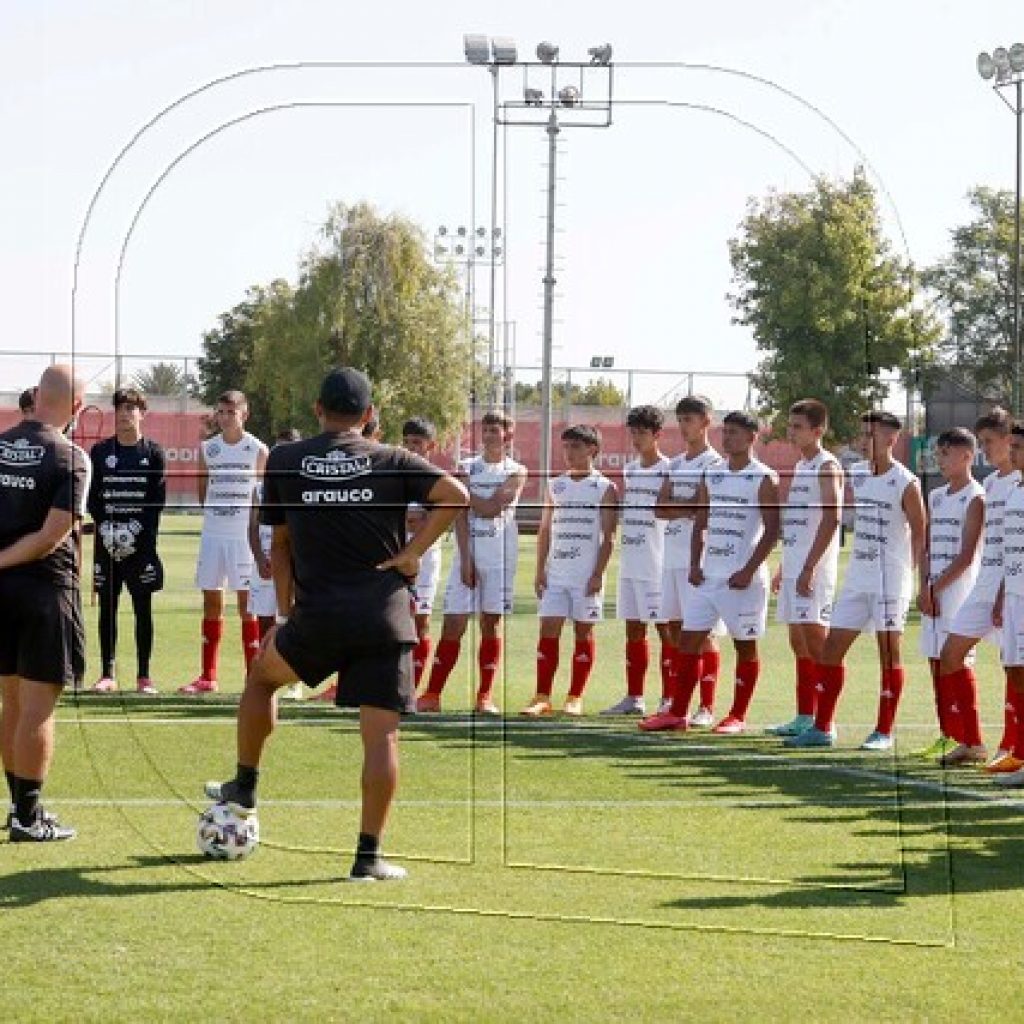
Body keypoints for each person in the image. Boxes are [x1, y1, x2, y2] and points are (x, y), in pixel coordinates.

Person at [204, 367, 468, 880]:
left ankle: (245, 785)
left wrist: (283, 615)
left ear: (318, 412)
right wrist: (413, 554)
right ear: (370, 417)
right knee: (382, 739)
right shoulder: (392, 458)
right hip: (382, 617)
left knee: (261, 680)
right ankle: (367, 858)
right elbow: (455, 495)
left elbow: (277, 546)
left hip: (318, 615)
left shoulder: (284, 459)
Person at [787, 410, 926, 751]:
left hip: (890, 581)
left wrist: (915, 578)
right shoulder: (858, 473)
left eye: (872, 435)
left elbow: (921, 532)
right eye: (863, 434)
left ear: (892, 439)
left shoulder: (905, 481)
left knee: (888, 655)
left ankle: (884, 731)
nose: (864, 441)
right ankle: (823, 727)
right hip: (857, 580)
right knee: (831, 650)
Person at [640, 410, 779, 734]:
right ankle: (677, 713)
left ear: (751, 438)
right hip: (707, 576)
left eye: (734, 433)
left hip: (741, 580)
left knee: (745, 646)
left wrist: (748, 570)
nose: (727, 438)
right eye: (725, 432)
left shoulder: (763, 477)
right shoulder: (712, 473)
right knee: (687, 642)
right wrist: (694, 563)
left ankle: (737, 716)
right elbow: (701, 522)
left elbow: (773, 531)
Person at [0, 364, 89, 841]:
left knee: (10, 702)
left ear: (36, 396)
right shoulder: (70, 456)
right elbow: (51, 538)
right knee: (36, 708)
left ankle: (18, 808)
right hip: (44, 594)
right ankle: (28, 817)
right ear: (76, 407)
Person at [416, 410, 527, 715]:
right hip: (469, 558)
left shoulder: (517, 470)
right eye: (486, 430)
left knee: (491, 624)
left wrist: (465, 495)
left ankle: (484, 697)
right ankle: (432, 694)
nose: (489, 435)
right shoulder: (465, 467)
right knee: (453, 623)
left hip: (501, 559)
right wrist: (465, 558)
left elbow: (492, 508)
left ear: (508, 434)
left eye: (495, 430)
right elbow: (460, 515)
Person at [937, 408, 1019, 769]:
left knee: (1013, 666)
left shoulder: (1019, 481)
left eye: (989, 442)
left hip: (1010, 585)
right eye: (981, 442)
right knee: (950, 655)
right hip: (986, 584)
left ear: (1008, 440)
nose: (985, 449)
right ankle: (971, 742)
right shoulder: (991, 485)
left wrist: (1003, 589)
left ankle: (1011, 746)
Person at [522, 425, 617, 717]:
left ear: (592, 450)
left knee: (583, 631)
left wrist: (598, 574)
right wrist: (540, 570)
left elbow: (609, 537)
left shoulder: (604, 488)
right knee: (548, 629)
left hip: (585, 574)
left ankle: (575, 696)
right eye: (566, 447)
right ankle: (542, 696)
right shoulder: (556, 485)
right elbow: (545, 530)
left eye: (576, 447)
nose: (569, 453)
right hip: (556, 574)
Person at [179, 390, 268, 695]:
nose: (227, 417)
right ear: (216, 415)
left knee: (248, 605)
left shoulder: (257, 449)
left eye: (233, 411)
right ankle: (208, 676)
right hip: (214, 534)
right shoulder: (208, 449)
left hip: (243, 537)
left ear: (245, 414)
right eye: (222, 412)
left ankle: (252, 676)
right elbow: (203, 491)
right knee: (212, 602)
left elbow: (261, 497)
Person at [765, 399, 842, 737]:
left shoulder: (827, 465)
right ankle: (803, 716)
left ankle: (826, 723)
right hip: (797, 564)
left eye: (798, 427)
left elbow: (832, 517)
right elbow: (799, 523)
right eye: (790, 426)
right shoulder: (802, 467)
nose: (791, 432)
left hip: (816, 568)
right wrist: (786, 565)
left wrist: (810, 566)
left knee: (818, 643)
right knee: (799, 642)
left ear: (818, 430)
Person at [87, 387, 167, 694]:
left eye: (131, 409)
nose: (124, 414)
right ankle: (107, 673)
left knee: (142, 608)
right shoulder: (100, 452)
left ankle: (144, 675)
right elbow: (93, 498)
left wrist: (135, 533)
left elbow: (155, 503)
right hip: (106, 545)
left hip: (140, 547)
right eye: (120, 409)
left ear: (142, 414)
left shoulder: (154, 453)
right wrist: (105, 526)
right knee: (107, 608)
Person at [915, 429, 984, 763]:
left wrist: (935, 588)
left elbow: (967, 556)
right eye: (938, 454)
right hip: (933, 590)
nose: (940, 460)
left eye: (946, 454)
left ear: (967, 456)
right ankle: (950, 736)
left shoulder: (976, 498)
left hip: (957, 592)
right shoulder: (937, 495)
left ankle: (972, 739)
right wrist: (923, 585)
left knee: (955, 660)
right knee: (936, 662)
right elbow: (926, 546)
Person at [654, 395, 724, 726]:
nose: (684, 427)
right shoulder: (676, 464)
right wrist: (687, 506)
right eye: (680, 420)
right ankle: (673, 700)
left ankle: (706, 706)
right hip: (670, 556)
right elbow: (659, 507)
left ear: (706, 422)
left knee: (704, 633)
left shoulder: (713, 464)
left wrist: (682, 507)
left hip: (698, 558)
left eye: (690, 420)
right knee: (673, 629)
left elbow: (704, 510)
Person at [600, 405, 672, 716]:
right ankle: (634, 697)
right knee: (633, 629)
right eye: (634, 432)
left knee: (666, 631)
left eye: (643, 432)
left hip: (657, 565)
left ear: (658, 435)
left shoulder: (669, 469)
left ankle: (670, 698)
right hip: (631, 561)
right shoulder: (630, 470)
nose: (637, 438)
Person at [247, 428, 303, 701]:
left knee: (290, 618)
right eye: (278, 449)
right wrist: (259, 557)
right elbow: (252, 527)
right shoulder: (259, 488)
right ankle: (261, 674)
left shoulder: (304, 488)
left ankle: (294, 679)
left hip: (291, 565)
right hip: (265, 565)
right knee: (264, 620)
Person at [989, 422, 1024, 787]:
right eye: (1010, 446)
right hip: (1013, 594)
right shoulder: (1013, 492)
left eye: (1017, 447)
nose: (1011, 452)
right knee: (1014, 671)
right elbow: (1007, 550)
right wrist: (1001, 592)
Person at [400, 417, 443, 688]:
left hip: (425, 558)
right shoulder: (394, 476)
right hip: (394, 553)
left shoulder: (437, 481)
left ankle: (413, 687)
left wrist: (416, 520)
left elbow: (432, 520)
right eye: (406, 442)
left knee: (420, 620)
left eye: (416, 442)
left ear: (431, 446)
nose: (410, 448)